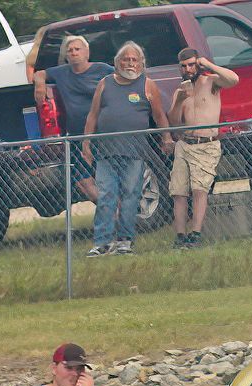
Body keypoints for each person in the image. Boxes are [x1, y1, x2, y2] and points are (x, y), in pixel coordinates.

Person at [82, 42, 172, 257]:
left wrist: (166, 137)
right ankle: (102, 243)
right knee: (106, 197)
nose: (130, 63)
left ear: (141, 64)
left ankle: (125, 241)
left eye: (134, 60)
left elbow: (159, 115)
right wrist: (86, 142)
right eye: (126, 59)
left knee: (131, 196)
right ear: (117, 62)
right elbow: (93, 115)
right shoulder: (104, 83)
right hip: (105, 152)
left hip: (135, 152)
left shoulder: (148, 85)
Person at [167, 48, 239, 249]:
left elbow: (233, 80)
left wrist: (208, 65)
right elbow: (173, 123)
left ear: (197, 64)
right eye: (184, 66)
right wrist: (180, 100)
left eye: (191, 64)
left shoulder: (211, 82)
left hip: (206, 145)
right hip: (184, 144)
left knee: (200, 190)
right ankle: (180, 236)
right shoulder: (179, 90)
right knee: (179, 192)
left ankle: (195, 235)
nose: (188, 69)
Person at [33, 35, 113, 204]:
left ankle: (120, 219)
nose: (73, 52)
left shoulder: (102, 69)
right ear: (66, 56)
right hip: (77, 136)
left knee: (109, 180)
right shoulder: (61, 72)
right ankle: (110, 212)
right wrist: (40, 85)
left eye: (78, 49)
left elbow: (125, 79)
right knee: (82, 182)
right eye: (70, 50)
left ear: (87, 52)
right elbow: (39, 73)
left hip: (102, 134)